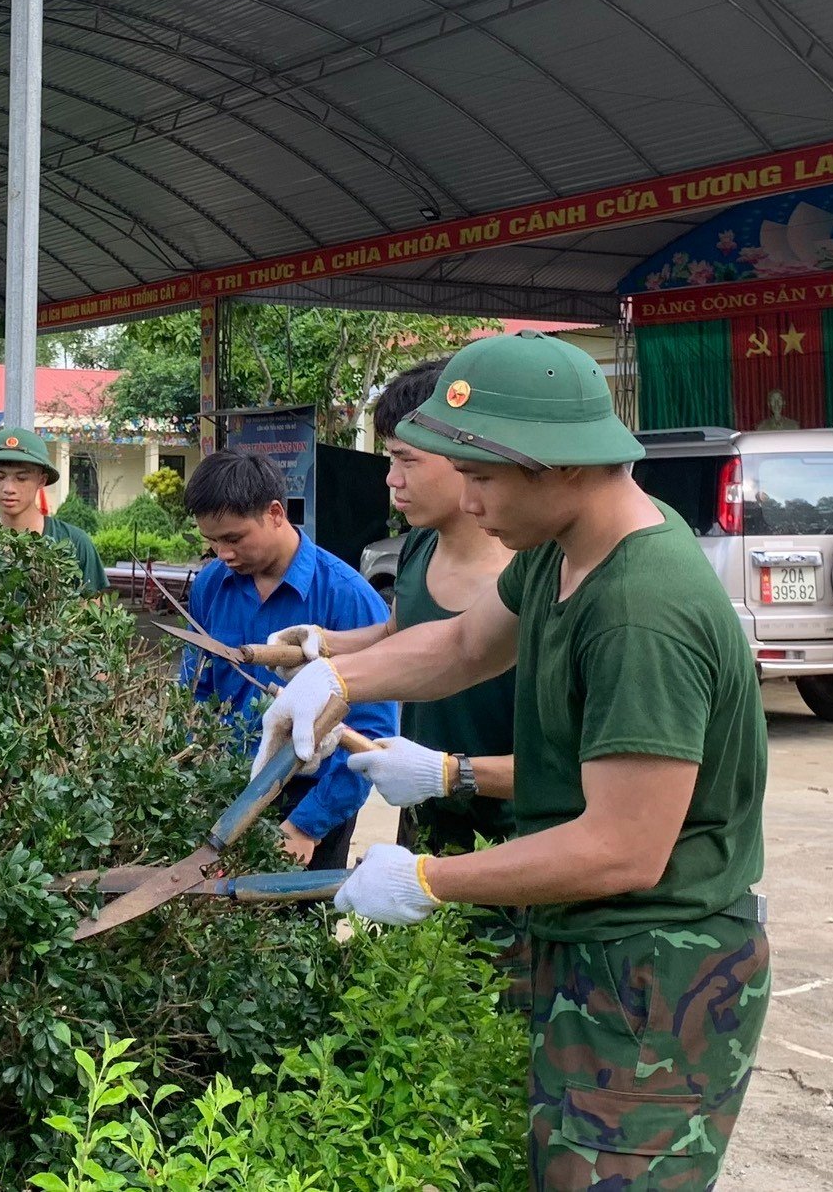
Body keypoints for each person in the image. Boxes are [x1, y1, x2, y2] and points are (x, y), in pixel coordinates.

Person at [254, 331, 769, 1192]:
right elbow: (462, 644)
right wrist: (338, 677)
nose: (472, 498)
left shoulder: (643, 608)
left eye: (483, 475)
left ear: (560, 467)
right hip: (579, 938)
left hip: (656, 968)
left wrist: (428, 879)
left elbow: (622, 847)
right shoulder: (562, 554)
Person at [267, 356, 516, 859]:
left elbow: (573, 774)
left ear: (464, 454)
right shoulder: (421, 547)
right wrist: (323, 647)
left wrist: (448, 773)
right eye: (389, 459)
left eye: (407, 460)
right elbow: (403, 633)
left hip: (512, 832)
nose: (390, 479)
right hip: (426, 818)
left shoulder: (529, 572)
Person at [178, 450, 397, 871]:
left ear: (275, 513)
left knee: (299, 928)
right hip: (222, 793)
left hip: (308, 801)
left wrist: (308, 825)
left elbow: (372, 733)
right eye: (212, 541)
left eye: (233, 538)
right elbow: (196, 686)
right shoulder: (211, 585)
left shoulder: (347, 596)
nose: (222, 553)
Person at [0, 424, 105, 593]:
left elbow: (89, 613)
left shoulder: (74, 542)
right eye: (0, 477)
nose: (9, 488)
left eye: (21, 478)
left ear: (41, 480)